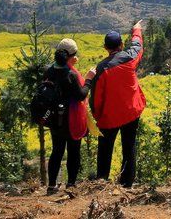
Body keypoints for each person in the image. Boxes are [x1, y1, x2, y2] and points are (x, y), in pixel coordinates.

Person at [88, 20, 147, 187]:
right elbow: (137, 45)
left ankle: (102, 182)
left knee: (105, 150)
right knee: (129, 148)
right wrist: (136, 29)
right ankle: (127, 183)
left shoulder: (101, 68)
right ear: (121, 44)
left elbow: (96, 98)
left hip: (109, 117)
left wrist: (97, 116)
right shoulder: (130, 58)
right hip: (131, 113)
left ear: (105, 47)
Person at [45, 38, 94, 194]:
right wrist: (88, 80)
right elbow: (81, 95)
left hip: (54, 118)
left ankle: (52, 185)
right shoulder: (71, 74)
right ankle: (71, 184)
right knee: (73, 151)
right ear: (72, 56)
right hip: (71, 118)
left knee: (56, 151)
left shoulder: (49, 71)